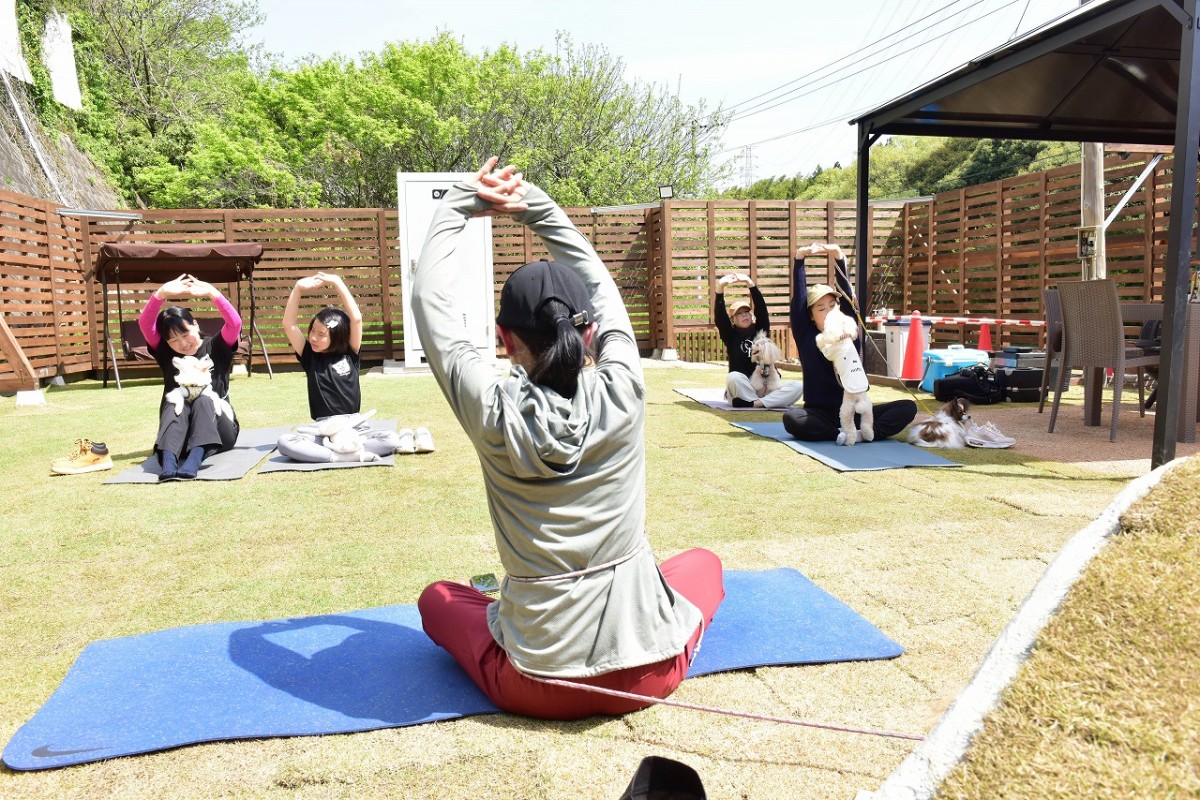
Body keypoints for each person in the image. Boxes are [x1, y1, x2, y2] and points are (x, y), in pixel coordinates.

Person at [412, 157, 724, 720]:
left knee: (437, 599)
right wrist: (534, 203)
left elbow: (429, 304)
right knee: (703, 563)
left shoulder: (491, 408)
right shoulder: (624, 388)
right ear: (590, 333)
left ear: (505, 340)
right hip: (651, 671)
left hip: (535, 680)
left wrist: (463, 200)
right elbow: (602, 286)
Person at [275, 272, 427, 461]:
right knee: (285, 442)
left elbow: (355, 319)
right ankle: (343, 456)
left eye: (321, 334)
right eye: (312, 331)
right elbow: (289, 324)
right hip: (323, 429)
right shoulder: (309, 356)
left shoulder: (350, 353)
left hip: (354, 425)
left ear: (338, 336)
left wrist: (337, 281)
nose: (313, 337)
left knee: (390, 438)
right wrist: (298, 287)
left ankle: (338, 453)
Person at [784, 243, 917, 442]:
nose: (829, 311)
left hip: (856, 409)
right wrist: (799, 260)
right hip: (822, 414)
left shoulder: (849, 330)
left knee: (907, 407)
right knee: (792, 418)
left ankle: (864, 434)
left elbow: (848, 301)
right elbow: (798, 304)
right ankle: (839, 434)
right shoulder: (806, 335)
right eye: (821, 309)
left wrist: (839, 257)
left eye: (832, 305)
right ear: (811, 316)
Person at [138, 273, 241, 480]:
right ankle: (168, 463)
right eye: (174, 340)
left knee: (203, 399)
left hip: (220, 430)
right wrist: (160, 294)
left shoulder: (216, 347)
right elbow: (145, 325)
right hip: (180, 435)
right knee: (175, 399)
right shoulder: (167, 352)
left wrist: (213, 294)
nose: (183, 344)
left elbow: (234, 324)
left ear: (195, 324)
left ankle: (195, 460)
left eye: (185, 335)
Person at [714, 273, 802, 408]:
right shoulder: (730, 336)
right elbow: (720, 318)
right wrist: (720, 288)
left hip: (766, 390)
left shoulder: (760, 331)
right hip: (743, 389)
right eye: (739, 313)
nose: (744, 315)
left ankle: (755, 404)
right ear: (733, 320)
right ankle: (764, 402)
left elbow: (762, 310)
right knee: (733, 377)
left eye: (747, 312)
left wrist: (751, 285)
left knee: (799, 386)